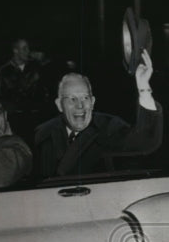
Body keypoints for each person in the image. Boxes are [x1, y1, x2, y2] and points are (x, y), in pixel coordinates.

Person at [34, 50, 161, 178]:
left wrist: (143, 87)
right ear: (59, 105)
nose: (80, 105)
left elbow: (145, 141)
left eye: (85, 98)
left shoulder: (109, 126)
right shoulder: (42, 133)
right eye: (72, 99)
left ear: (93, 102)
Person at [0, 38, 50, 145]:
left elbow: (45, 90)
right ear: (15, 50)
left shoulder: (36, 67)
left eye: (28, 48)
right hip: (18, 119)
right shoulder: (4, 71)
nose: (28, 51)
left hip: (37, 116)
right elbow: (9, 95)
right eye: (24, 48)